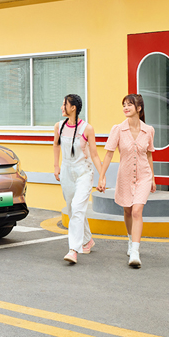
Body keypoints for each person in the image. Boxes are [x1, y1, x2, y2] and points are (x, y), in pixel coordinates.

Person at [97, 94, 156, 268]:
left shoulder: (149, 130)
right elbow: (109, 154)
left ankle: (135, 252)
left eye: (129, 104)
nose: (125, 108)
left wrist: (153, 178)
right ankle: (131, 240)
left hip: (144, 176)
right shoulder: (118, 129)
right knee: (128, 211)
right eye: (124, 105)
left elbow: (149, 154)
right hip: (124, 176)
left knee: (137, 211)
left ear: (139, 108)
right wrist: (102, 176)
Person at [54, 94, 104, 264]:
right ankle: (87, 240)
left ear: (73, 107)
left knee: (77, 207)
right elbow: (56, 145)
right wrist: (56, 166)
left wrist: (102, 176)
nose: (62, 107)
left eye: (64, 104)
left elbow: (95, 155)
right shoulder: (59, 126)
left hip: (84, 172)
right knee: (72, 208)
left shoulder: (87, 129)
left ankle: (73, 250)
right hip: (67, 171)